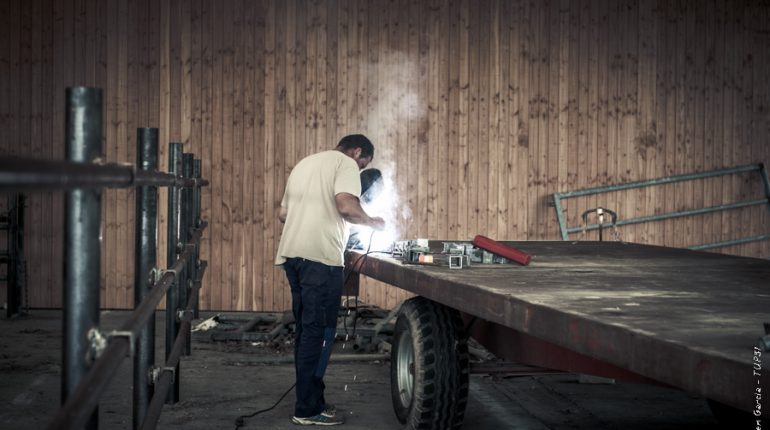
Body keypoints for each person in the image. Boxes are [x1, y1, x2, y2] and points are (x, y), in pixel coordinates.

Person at [276, 134, 385, 426]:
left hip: (293, 256)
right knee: (319, 332)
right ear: (358, 152)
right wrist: (373, 221)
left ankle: (311, 399)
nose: (360, 171)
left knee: (306, 329)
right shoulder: (345, 164)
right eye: (363, 164)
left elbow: (283, 214)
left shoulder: (304, 164)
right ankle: (307, 410)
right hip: (320, 260)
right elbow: (347, 206)